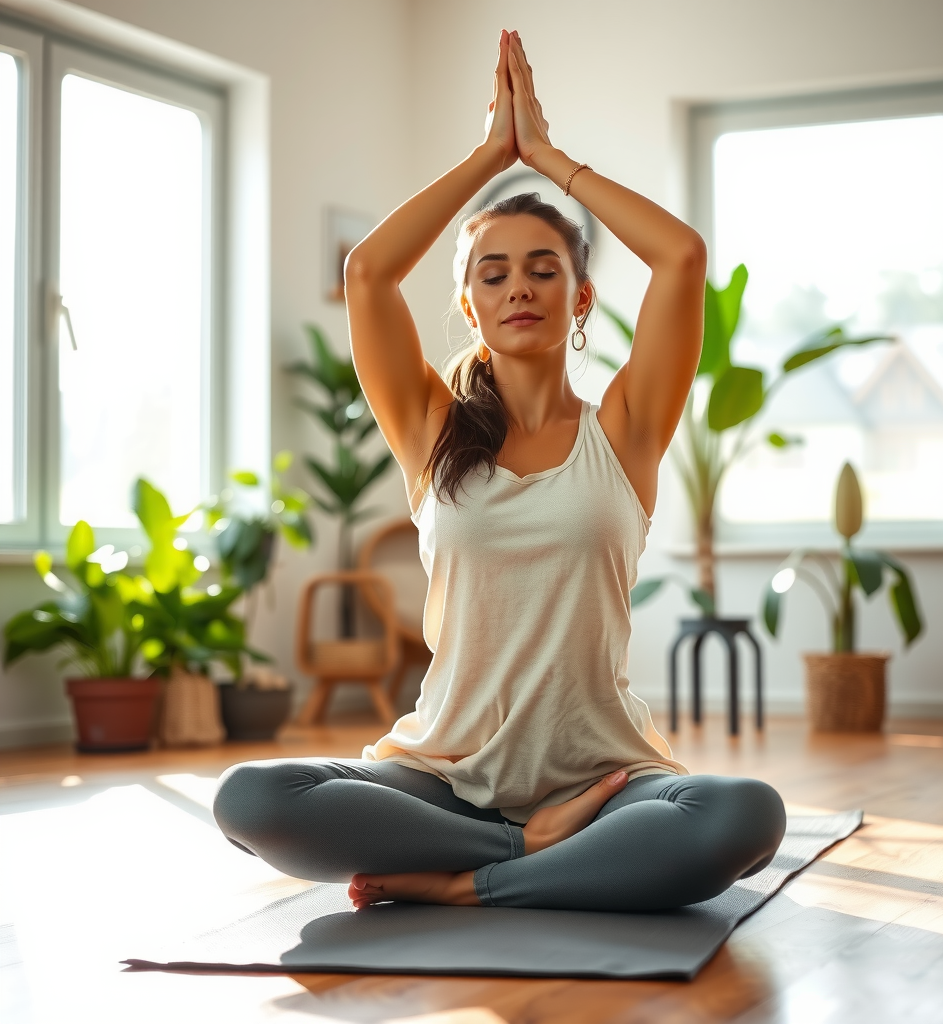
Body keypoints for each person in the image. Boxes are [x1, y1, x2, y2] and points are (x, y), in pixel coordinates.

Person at [213, 29, 785, 913]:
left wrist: (548, 160)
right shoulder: (432, 431)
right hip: (444, 775)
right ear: (472, 305)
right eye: (494, 273)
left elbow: (682, 259)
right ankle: (526, 852)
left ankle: (468, 885)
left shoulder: (626, 432)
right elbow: (368, 274)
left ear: (579, 298)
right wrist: (490, 156)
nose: (519, 286)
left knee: (741, 813)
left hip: (606, 781)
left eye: (543, 269)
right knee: (252, 798)